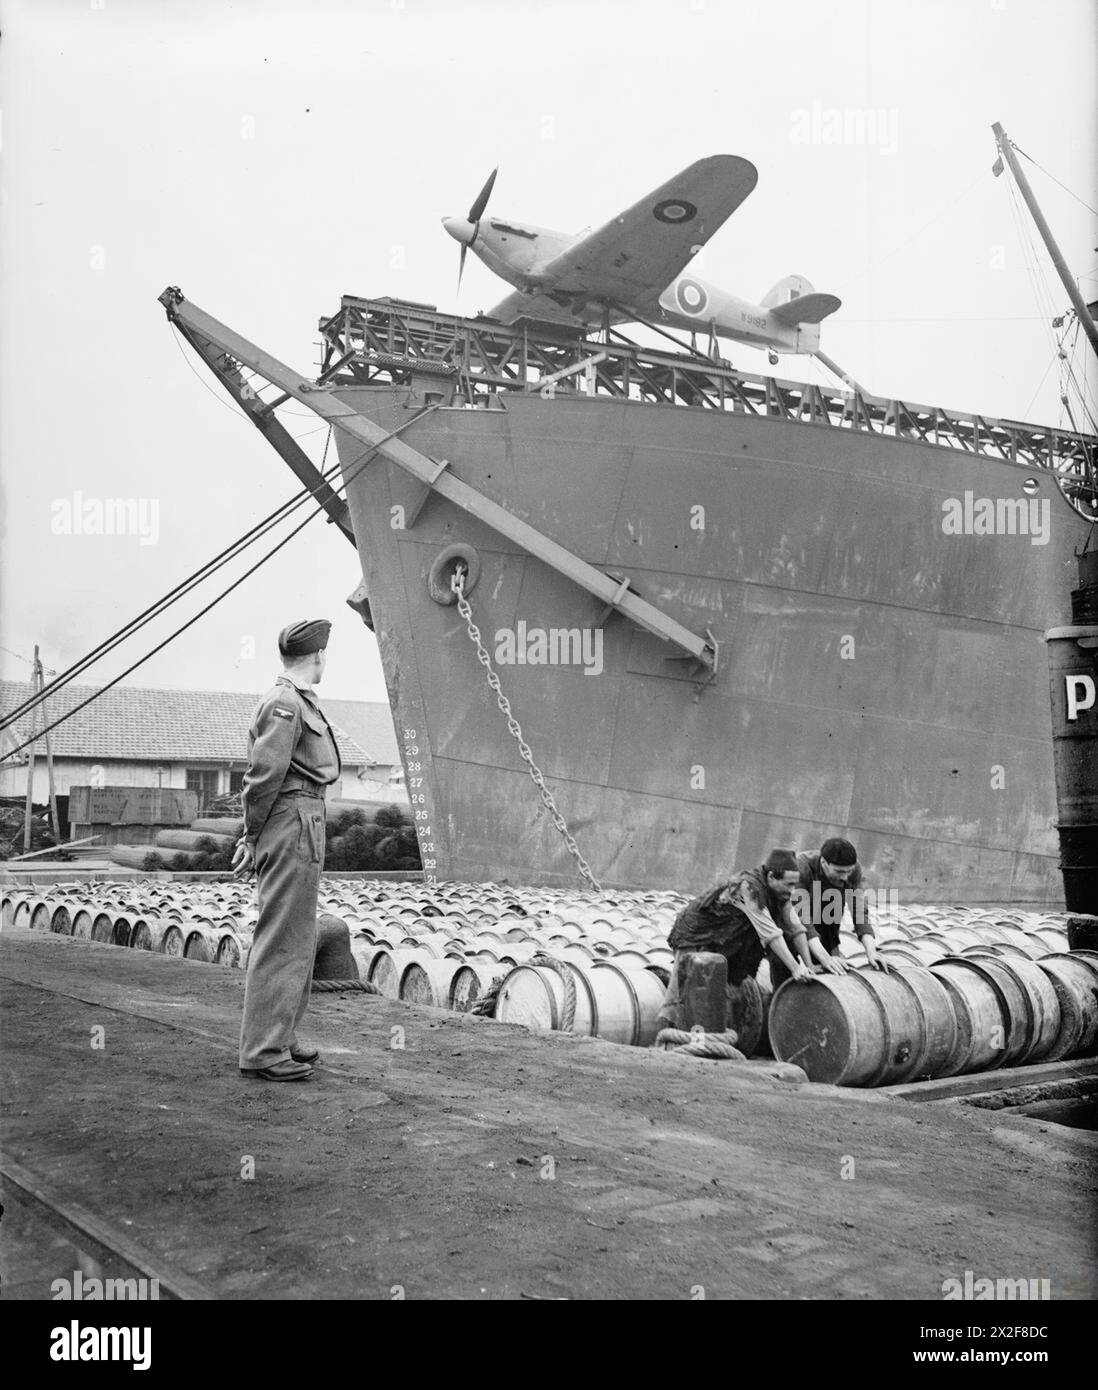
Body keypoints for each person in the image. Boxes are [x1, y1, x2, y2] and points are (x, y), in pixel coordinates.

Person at [232, 619, 341, 1081]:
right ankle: (263, 1050)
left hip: (303, 821)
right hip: (290, 822)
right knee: (281, 936)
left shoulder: (297, 700)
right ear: (317, 656)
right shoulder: (285, 703)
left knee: (298, 936)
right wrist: (251, 835)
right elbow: (263, 777)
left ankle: (281, 1035)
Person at [656, 849, 820, 1034]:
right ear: (771, 877)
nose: (792, 890)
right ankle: (665, 1037)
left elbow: (796, 928)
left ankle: (704, 1036)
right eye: (788, 884)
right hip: (696, 934)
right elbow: (771, 934)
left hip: (725, 939)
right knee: (680, 990)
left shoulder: (781, 894)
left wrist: (809, 965)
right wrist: (795, 968)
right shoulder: (748, 888)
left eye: (794, 885)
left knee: (720, 991)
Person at [770, 836, 888, 988]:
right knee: (785, 979)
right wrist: (824, 958)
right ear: (823, 863)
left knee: (831, 979)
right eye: (839, 871)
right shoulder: (802, 867)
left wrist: (872, 952)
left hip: (827, 922)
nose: (845, 877)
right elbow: (801, 917)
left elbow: (859, 911)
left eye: (849, 871)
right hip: (792, 925)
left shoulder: (853, 870)